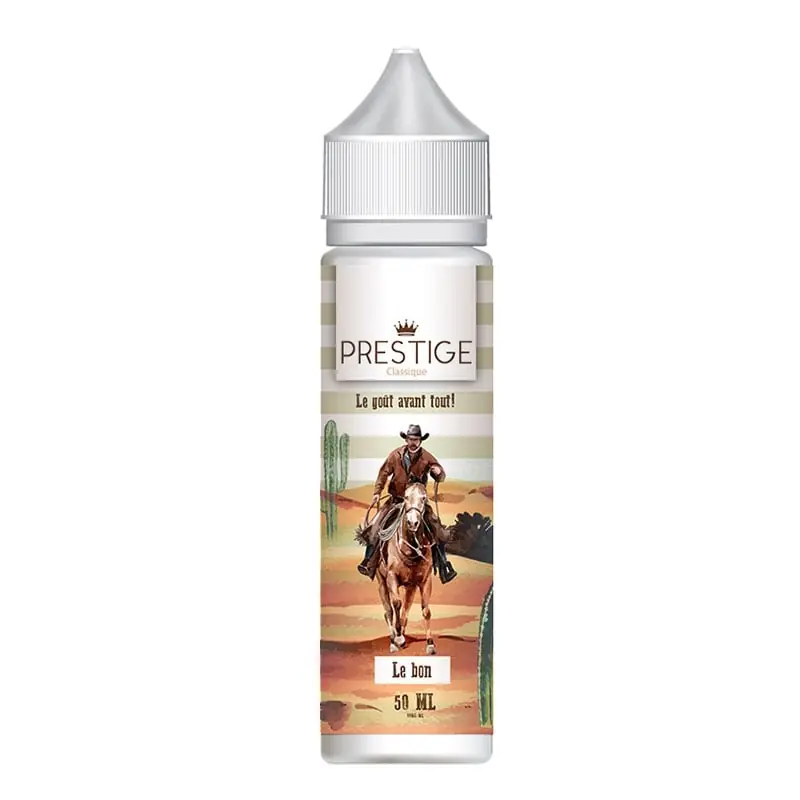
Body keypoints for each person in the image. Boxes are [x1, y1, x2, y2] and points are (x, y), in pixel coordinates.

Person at [357, 424, 457, 583]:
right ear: (406, 439)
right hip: (396, 500)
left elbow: (440, 474)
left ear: (420, 441)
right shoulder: (395, 455)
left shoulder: (426, 457)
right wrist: (377, 492)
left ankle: (444, 565)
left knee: (436, 527)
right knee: (376, 524)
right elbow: (383, 473)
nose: (413, 442)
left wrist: (438, 472)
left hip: (416, 503)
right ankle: (368, 561)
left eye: (416, 440)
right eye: (410, 439)